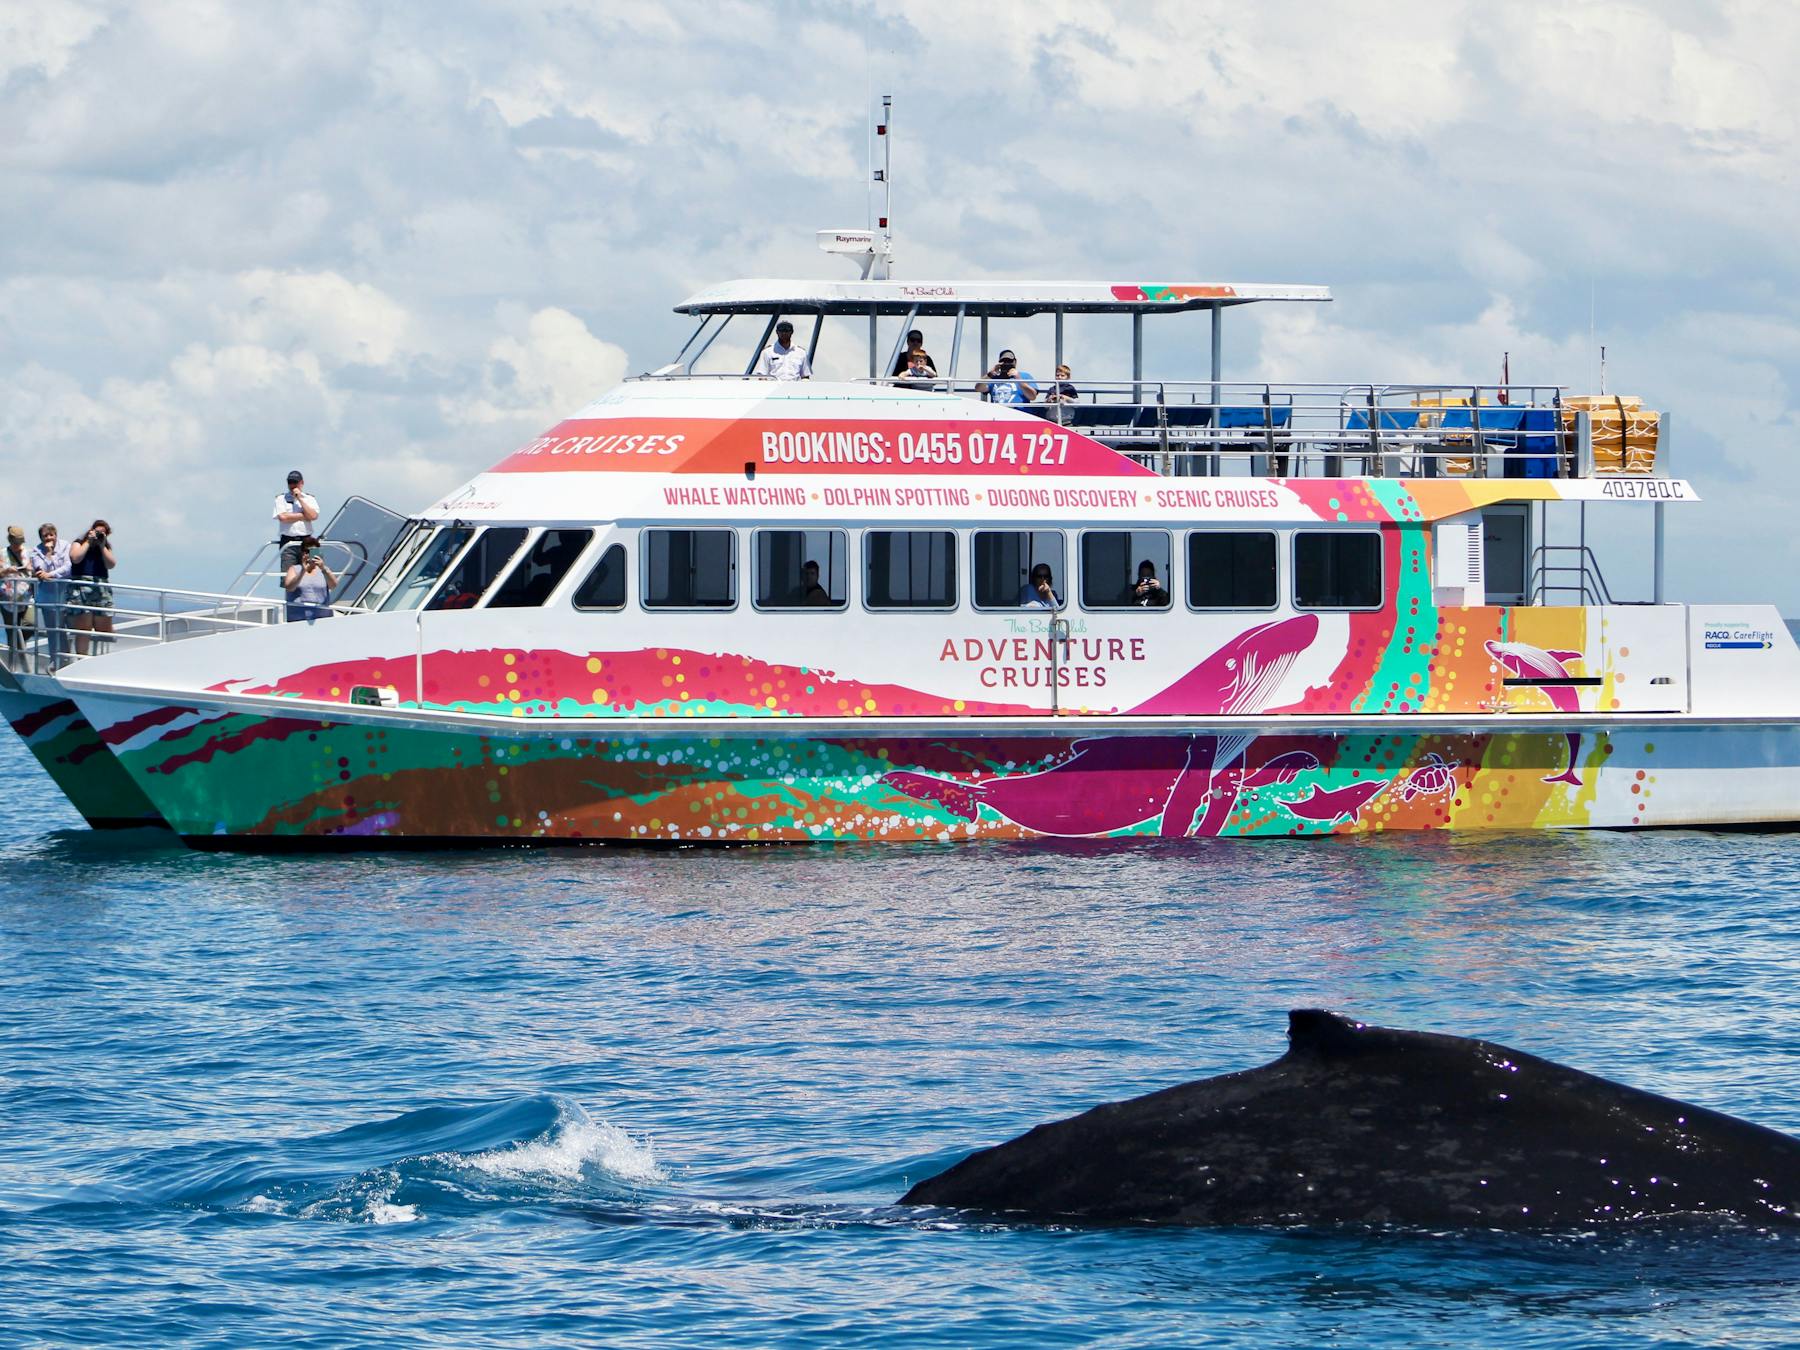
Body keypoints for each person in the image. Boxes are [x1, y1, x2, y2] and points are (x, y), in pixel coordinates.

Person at [66, 519, 117, 657]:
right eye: (97, 531)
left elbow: (111, 564)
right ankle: (82, 658)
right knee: (84, 628)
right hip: (81, 588)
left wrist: (102, 546)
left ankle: (103, 658)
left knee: (104, 628)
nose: (99, 535)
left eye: (103, 533)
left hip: (100, 589)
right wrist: (88, 542)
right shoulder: (79, 542)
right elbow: (75, 558)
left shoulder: (105, 547)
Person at [28, 523, 71, 666]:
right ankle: (55, 661)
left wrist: (51, 574)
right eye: (45, 536)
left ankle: (67, 660)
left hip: (65, 595)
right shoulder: (36, 551)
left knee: (66, 629)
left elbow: (67, 567)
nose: (48, 538)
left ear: (55, 534)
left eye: (50, 534)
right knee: (52, 631)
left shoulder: (65, 546)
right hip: (48, 597)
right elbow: (39, 570)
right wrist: (48, 554)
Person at [283, 536, 337, 622]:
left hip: (323, 619)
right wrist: (302, 571)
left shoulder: (324, 570)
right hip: (299, 619)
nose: (310, 554)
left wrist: (323, 568)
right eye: (307, 551)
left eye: (314, 551)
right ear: (302, 553)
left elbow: (333, 585)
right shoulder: (294, 569)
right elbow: (289, 587)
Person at [274, 470, 320, 571]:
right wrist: (303, 516)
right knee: (289, 576)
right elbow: (283, 517)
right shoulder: (281, 498)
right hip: (288, 541)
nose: (292, 485)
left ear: (301, 483)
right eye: (290, 482)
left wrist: (300, 499)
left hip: (307, 540)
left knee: (311, 573)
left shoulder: (309, 498)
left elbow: (313, 516)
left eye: (295, 482)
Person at [1, 525, 32, 665]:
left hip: (26, 598)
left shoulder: (29, 553)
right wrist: (6, 571)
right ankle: (15, 665)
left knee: (31, 624)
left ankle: (18, 651)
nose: (18, 545)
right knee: (12, 632)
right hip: (7, 599)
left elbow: (36, 569)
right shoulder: (2, 554)